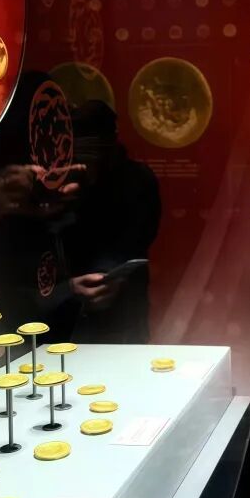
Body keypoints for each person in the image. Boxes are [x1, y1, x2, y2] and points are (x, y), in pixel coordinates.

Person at [54, 100, 161, 343]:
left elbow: (135, 238)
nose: (85, 165)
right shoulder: (63, 180)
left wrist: (105, 274)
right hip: (70, 305)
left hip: (121, 307)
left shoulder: (136, 180)